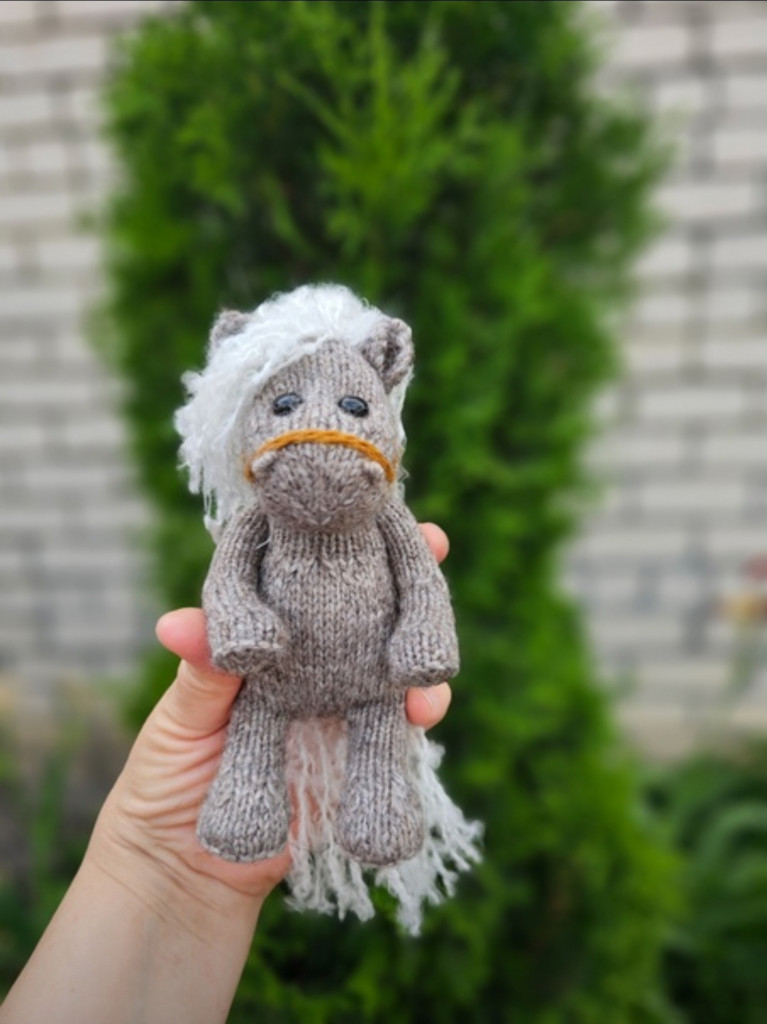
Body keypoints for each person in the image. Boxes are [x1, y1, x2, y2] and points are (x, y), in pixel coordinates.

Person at [0, 524, 453, 1024]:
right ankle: (244, 807)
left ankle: (379, 806)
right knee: (254, 729)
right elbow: (229, 579)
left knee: (381, 736)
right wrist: (241, 624)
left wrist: (423, 637)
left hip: (374, 688)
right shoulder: (257, 521)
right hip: (270, 682)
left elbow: (421, 581)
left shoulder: (389, 522)